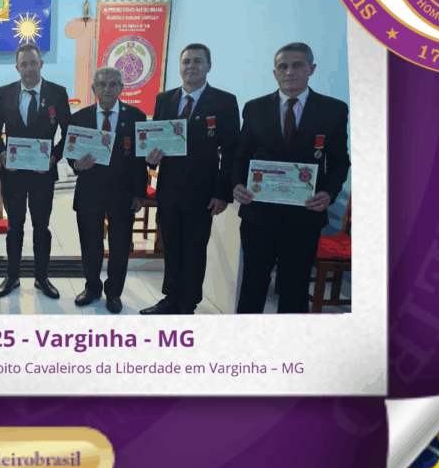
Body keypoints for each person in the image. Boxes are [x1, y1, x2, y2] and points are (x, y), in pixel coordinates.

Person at [232, 42, 351, 313]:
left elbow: (340, 162)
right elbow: (240, 156)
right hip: (258, 215)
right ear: (275, 73)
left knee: (295, 288)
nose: (289, 72)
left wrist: (329, 192)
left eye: (297, 65)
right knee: (252, 285)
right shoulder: (254, 108)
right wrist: (237, 184)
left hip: (304, 216)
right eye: (282, 66)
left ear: (311, 69)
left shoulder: (333, 110)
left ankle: (291, 337)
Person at [141, 43, 240, 315]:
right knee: (171, 247)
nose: (191, 66)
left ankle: (188, 304)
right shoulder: (165, 99)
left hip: (203, 191)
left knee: (195, 249)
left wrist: (222, 193)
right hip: (169, 187)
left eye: (198, 61)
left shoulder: (224, 101)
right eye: (186, 61)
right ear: (179, 67)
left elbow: (232, 152)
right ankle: (170, 298)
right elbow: (157, 139)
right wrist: (150, 158)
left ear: (209, 66)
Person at [0, 44, 71, 299]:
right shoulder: (5, 93)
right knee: (14, 227)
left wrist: (54, 158)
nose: (28, 68)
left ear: (41, 64)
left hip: (42, 174)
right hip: (12, 174)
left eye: (33, 63)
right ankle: (12, 277)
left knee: (41, 228)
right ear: (17, 67)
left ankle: (41, 277)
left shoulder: (57, 93)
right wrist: (3, 155)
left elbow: (68, 134)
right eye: (23, 64)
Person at [69, 67, 148, 314]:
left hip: (122, 193)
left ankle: (114, 292)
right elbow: (72, 154)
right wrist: (76, 165)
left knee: (119, 245)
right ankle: (92, 287)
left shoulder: (136, 116)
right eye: (102, 84)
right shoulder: (79, 117)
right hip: (89, 191)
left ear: (121, 88)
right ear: (93, 88)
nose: (107, 88)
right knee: (90, 243)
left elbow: (140, 158)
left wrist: (139, 193)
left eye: (113, 84)